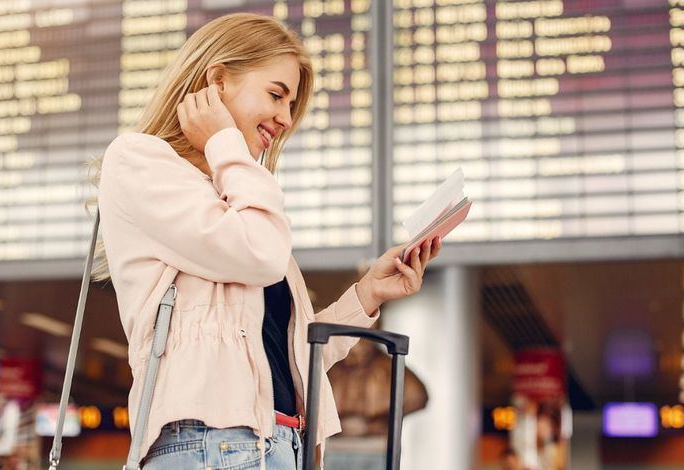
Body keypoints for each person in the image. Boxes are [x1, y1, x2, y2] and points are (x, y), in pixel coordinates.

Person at [91, 13, 441, 470]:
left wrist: (368, 294)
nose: (285, 117)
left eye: (291, 103)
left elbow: (292, 355)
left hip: (279, 444)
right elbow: (261, 256)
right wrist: (224, 143)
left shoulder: (235, 198)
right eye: (276, 95)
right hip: (210, 444)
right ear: (216, 82)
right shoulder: (141, 160)